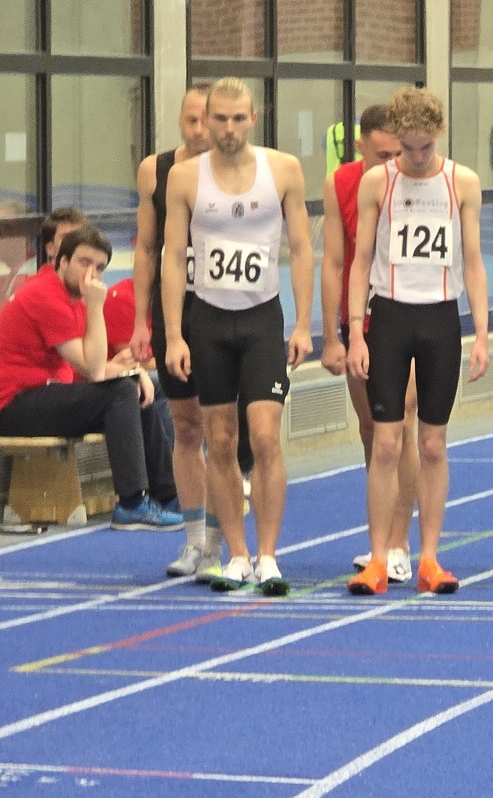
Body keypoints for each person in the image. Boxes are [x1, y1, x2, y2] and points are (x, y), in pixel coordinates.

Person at [162, 77, 314, 596]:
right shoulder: (184, 177)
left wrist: (303, 324)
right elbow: (172, 259)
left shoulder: (283, 170)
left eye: (237, 119)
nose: (227, 129)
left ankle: (268, 555)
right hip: (208, 321)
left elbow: (301, 248)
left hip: (261, 320)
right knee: (220, 440)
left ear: (254, 117)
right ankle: (237, 554)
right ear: (205, 119)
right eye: (219, 119)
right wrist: (174, 334)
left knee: (265, 437)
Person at [346, 87, 489, 596]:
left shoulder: (461, 182)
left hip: (441, 319)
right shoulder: (377, 182)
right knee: (386, 442)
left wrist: (482, 333)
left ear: (438, 136)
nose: (418, 157)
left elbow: (473, 261)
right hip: (389, 316)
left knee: (432, 442)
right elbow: (361, 260)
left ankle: (429, 557)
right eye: (407, 148)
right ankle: (378, 558)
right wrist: (356, 331)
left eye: (426, 147)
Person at [0, 225, 180, 528]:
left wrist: (134, 372)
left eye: (99, 267)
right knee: (121, 392)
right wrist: (96, 306)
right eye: (84, 262)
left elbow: (88, 366)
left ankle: (169, 495)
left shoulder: (71, 296)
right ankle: (132, 504)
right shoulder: (46, 294)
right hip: (12, 404)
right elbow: (94, 371)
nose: (91, 274)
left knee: (137, 387)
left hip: (42, 392)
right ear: (63, 261)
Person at [129, 87, 226, 581]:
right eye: (191, 121)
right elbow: (147, 249)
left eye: (207, 120)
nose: (199, 131)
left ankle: (221, 542)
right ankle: (194, 541)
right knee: (186, 428)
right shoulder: (156, 170)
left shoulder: (240, 171)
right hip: (175, 310)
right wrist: (139, 322)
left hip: (226, 310)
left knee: (222, 431)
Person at [320, 103, 418, 582]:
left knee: (402, 425)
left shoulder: (420, 179)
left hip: (413, 313)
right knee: (372, 430)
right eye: (382, 155)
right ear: (360, 146)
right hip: (360, 319)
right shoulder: (341, 184)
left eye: (399, 153)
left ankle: (399, 543)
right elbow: (334, 262)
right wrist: (331, 335)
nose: (392, 163)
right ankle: (381, 536)